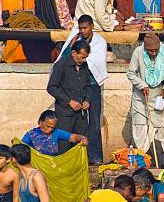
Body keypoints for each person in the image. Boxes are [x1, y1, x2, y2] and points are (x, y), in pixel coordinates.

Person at [56, 14, 108, 164]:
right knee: (77, 120)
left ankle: (96, 156)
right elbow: (65, 59)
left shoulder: (100, 42)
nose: (83, 31)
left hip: (92, 85)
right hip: (75, 86)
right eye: (80, 28)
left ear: (91, 27)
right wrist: (72, 44)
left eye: (85, 28)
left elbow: (93, 62)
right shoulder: (76, 39)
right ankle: (78, 156)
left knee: (94, 120)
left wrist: (80, 56)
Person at [126, 32, 164, 158]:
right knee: (140, 129)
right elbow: (131, 73)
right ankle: (141, 160)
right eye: (150, 51)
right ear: (145, 48)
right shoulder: (138, 52)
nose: (154, 54)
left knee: (160, 130)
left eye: (156, 51)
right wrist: (142, 85)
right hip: (141, 98)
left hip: (158, 98)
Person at [46, 40, 91, 154]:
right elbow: (51, 87)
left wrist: (87, 100)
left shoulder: (84, 66)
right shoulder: (61, 65)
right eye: (81, 57)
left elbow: (88, 87)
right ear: (73, 53)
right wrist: (69, 101)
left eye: (85, 58)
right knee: (64, 145)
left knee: (80, 145)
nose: (84, 60)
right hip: (65, 114)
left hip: (81, 115)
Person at [21, 110, 87, 157]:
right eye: (47, 126)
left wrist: (82, 138)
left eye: (52, 127)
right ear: (41, 122)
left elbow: (73, 137)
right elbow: (20, 148)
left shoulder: (56, 132)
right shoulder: (31, 135)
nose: (49, 130)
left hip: (52, 167)